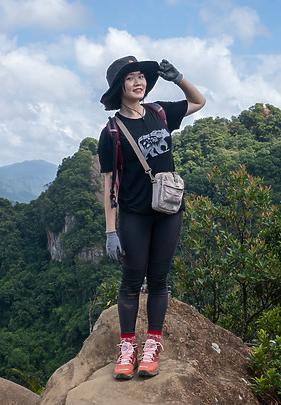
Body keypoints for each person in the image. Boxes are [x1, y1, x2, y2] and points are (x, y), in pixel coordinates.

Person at [97, 55, 205, 379]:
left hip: (169, 210)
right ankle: (127, 348)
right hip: (134, 214)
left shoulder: (160, 112)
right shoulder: (112, 131)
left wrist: (179, 78)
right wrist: (110, 231)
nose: (139, 82)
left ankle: (152, 347)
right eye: (130, 78)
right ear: (120, 87)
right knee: (131, 282)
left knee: (158, 281)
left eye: (141, 76)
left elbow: (198, 101)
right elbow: (108, 184)